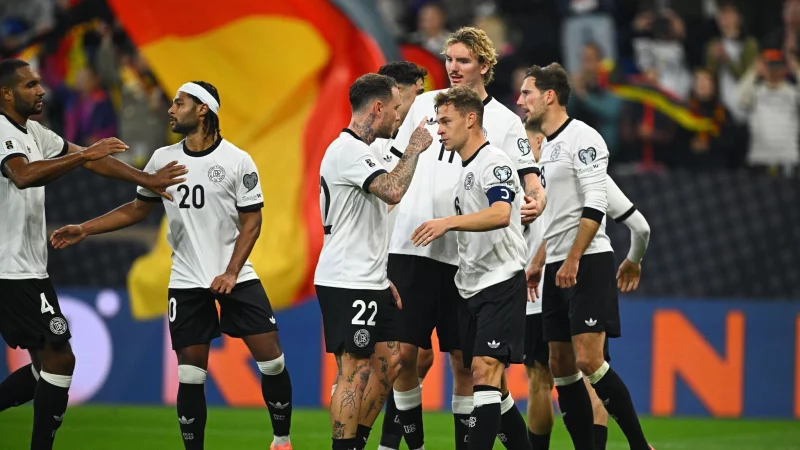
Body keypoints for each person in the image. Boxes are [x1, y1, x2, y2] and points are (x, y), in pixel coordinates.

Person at [49, 81, 294, 450]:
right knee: (191, 374)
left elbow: (253, 222)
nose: (170, 109)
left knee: (273, 362)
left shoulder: (237, 160)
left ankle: (281, 440)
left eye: (179, 103)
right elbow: (137, 208)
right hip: (186, 280)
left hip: (237, 276)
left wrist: (230, 271)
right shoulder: (163, 158)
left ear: (202, 110)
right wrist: (85, 228)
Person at [0, 58, 184, 450]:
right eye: (31, 84)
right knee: (61, 359)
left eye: (39, 82)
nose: (41, 90)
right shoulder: (1, 131)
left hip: (28, 268)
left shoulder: (33, 132)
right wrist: (83, 157)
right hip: (11, 270)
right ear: (6, 93)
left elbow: (94, 158)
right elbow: (22, 175)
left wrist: (145, 179)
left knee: (45, 367)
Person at [387, 27, 545, 450]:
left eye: (463, 60)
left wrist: (537, 193)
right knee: (404, 358)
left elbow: (528, 179)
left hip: (464, 259)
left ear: (485, 66)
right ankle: (409, 445)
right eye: (449, 60)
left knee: (467, 362)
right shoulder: (423, 105)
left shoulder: (505, 125)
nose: (453, 68)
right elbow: (394, 166)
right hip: (412, 245)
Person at [517, 63, 652, 450]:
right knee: (559, 365)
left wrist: (577, 257)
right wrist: (542, 260)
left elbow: (595, 204)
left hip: (588, 261)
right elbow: (561, 214)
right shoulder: (545, 149)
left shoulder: (584, 139)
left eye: (527, 93)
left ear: (549, 96)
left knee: (589, 361)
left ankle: (640, 445)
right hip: (556, 266)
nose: (521, 100)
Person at [314, 73, 433, 450]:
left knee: (392, 361)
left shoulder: (364, 152)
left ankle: (358, 441)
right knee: (356, 370)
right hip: (347, 278)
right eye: (396, 109)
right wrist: (414, 147)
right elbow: (393, 190)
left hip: (370, 278)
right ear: (377, 107)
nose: (399, 117)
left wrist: (383, 276)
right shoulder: (347, 150)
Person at [410, 86, 530, 450]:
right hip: (472, 285)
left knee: (483, 371)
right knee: (496, 387)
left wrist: (447, 223)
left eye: (445, 121)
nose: (439, 130)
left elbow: (500, 213)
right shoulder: (465, 171)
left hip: (501, 280)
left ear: (470, 118)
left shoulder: (493, 161)